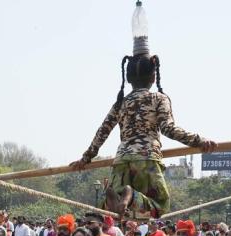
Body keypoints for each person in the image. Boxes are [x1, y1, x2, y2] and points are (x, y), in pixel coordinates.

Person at [70, 53, 216, 217]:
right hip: (146, 159)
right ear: (154, 77)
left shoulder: (121, 103)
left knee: (118, 211)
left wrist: (85, 158)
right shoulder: (158, 98)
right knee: (160, 205)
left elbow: (102, 132)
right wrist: (198, 140)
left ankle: (115, 197)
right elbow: (168, 128)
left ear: (128, 79)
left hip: (122, 161)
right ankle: (130, 196)